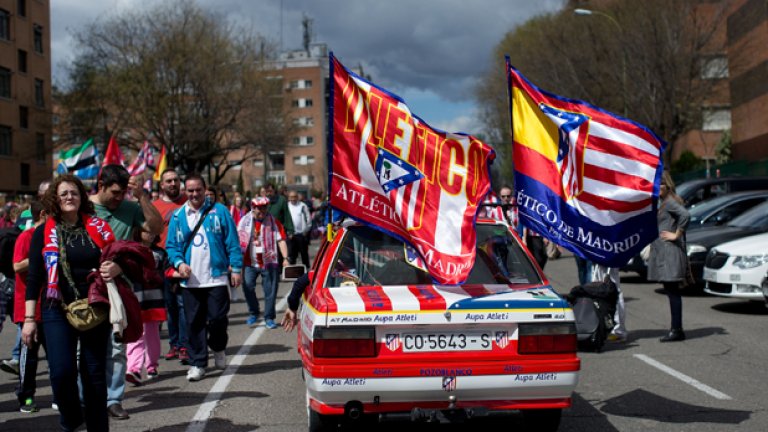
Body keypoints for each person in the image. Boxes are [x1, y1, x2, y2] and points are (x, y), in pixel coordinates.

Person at [22, 174, 120, 431]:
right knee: (61, 373)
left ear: (82, 197)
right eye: (64, 193)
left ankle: (98, 428)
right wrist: (29, 320)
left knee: (94, 375)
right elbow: (34, 278)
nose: (69, 197)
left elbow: (118, 257)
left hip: (95, 306)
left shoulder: (98, 228)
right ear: (55, 198)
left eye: (74, 193)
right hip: (57, 309)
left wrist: (116, 268)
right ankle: (73, 421)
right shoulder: (42, 232)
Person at [90, 164, 163, 420]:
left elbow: (155, 228)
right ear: (101, 186)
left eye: (123, 193)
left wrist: (142, 196)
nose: (119, 198)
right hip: (86, 285)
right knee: (84, 348)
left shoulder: (131, 208)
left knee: (117, 347)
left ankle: (114, 399)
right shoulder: (84, 208)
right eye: (115, 192)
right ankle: (84, 399)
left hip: (118, 288)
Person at [166, 173, 243, 382]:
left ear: (204, 189)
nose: (194, 194)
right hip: (190, 282)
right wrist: (179, 264)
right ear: (185, 191)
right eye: (190, 190)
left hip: (216, 278)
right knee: (193, 323)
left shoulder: (220, 212)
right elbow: (171, 246)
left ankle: (218, 347)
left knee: (218, 319)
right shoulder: (177, 216)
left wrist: (236, 268)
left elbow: (232, 242)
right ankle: (198, 363)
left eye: (198, 190)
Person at [11, 201, 47, 412]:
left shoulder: (53, 234)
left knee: (57, 357)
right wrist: (39, 253)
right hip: (27, 308)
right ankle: (26, 397)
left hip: (51, 305)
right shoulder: (26, 236)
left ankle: (61, 397)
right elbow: (16, 265)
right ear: (43, 214)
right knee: (29, 357)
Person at [152, 168, 190, 364]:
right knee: (170, 304)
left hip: (185, 257)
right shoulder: (155, 206)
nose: (173, 184)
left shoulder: (188, 202)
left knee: (183, 303)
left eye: (176, 180)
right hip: (163, 257)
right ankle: (174, 344)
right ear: (162, 185)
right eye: (169, 181)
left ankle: (185, 345)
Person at [647, 171, 690, 343]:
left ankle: (677, 329)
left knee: (673, 292)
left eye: (660, 185)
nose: (657, 188)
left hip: (670, 253)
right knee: (671, 291)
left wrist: (676, 234)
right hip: (665, 252)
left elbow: (686, 216)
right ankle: (676, 328)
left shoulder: (671, 202)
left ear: (667, 185)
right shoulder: (664, 202)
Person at [237, 197, 289, 329]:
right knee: (247, 286)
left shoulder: (273, 222)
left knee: (270, 291)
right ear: (253, 208)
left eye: (264, 207)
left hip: (269, 261)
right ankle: (254, 312)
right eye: (259, 208)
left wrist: (286, 258)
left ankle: (269, 317)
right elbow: (238, 242)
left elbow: (281, 240)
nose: (262, 210)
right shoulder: (244, 222)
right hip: (250, 262)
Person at [125, 232, 168, 386]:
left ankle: (151, 366)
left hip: (155, 299)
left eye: (152, 230)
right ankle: (134, 368)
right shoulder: (130, 251)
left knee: (152, 334)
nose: (149, 234)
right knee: (136, 333)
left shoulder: (160, 253)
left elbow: (166, 275)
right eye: (146, 230)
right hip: (135, 298)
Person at [590, 264, 627, 342]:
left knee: (613, 292)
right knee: (597, 291)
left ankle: (618, 331)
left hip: (609, 260)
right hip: (600, 260)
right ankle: (602, 328)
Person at [287, 191, 311, 267]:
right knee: (291, 255)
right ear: (289, 198)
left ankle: (307, 271)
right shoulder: (287, 206)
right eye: (291, 197)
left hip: (301, 234)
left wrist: (306, 230)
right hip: (291, 235)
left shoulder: (302, 206)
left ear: (297, 197)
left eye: (294, 197)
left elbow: (308, 218)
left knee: (304, 254)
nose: (293, 199)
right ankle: (291, 272)